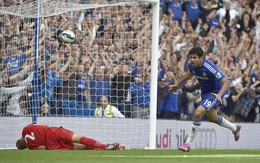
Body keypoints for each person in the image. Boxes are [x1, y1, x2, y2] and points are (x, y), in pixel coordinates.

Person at [167, 47, 241, 152]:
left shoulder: (209, 67)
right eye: (191, 57)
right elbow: (189, 74)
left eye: (195, 58)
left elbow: (226, 82)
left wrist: (219, 95)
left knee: (197, 113)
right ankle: (235, 128)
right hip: (205, 93)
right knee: (213, 118)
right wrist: (177, 85)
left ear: (201, 58)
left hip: (215, 93)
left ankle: (187, 144)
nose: (192, 60)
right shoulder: (192, 66)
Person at [16, 124, 125, 150]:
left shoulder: (31, 148)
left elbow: (42, 148)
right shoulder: (26, 129)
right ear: (21, 139)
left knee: (81, 147)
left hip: (53, 145)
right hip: (54, 132)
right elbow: (44, 125)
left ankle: (107, 148)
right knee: (80, 138)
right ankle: (105, 146)